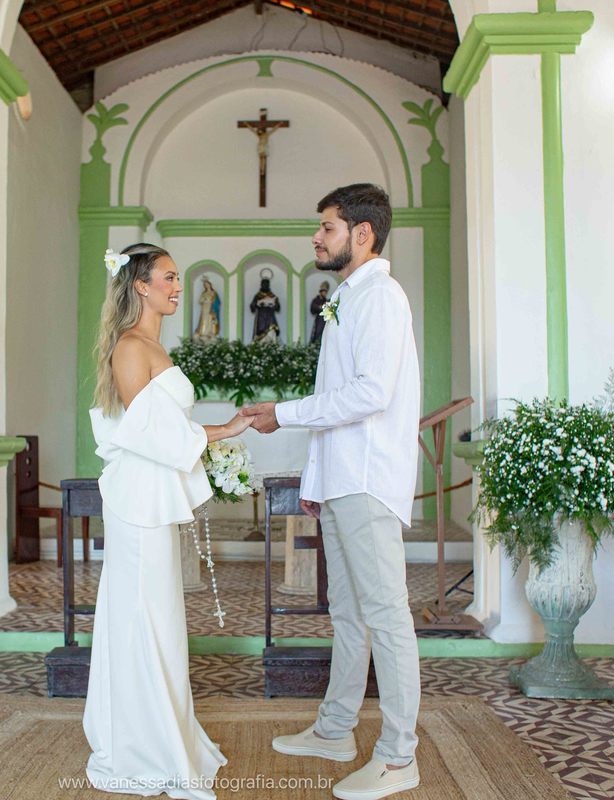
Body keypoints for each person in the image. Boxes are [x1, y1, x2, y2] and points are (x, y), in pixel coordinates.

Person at [241, 184, 422, 800]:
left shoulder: (381, 297)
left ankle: (400, 758)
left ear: (362, 234)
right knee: (348, 614)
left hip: (368, 480)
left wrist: (283, 414)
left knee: (387, 617)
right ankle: (335, 730)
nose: (316, 238)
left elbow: (372, 393)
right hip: (343, 481)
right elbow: (337, 390)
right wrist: (317, 482)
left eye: (327, 228)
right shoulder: (346, 299)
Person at [85, 242, 251, 799]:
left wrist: (216, 435)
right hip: (137, 505)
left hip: (151, 499)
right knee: (143, 619)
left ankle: (164, 733)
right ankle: (144, 746)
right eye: (169, 278)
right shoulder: (131, 347)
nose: (178, 287)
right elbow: (145, 433)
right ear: (140, 285)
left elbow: (162, 427)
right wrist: (223, 433)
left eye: (179, 279)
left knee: (160, 619)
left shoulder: (151, 343)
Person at [309, 280, 331, 345]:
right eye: (324, 292)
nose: (325, 293)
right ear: (321, 292)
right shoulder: (316, 300)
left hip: (325, 320)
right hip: (319, 320)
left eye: (326, 292)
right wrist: (320, 307)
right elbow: (313, 308)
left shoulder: (327, 301)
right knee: (317, 333)